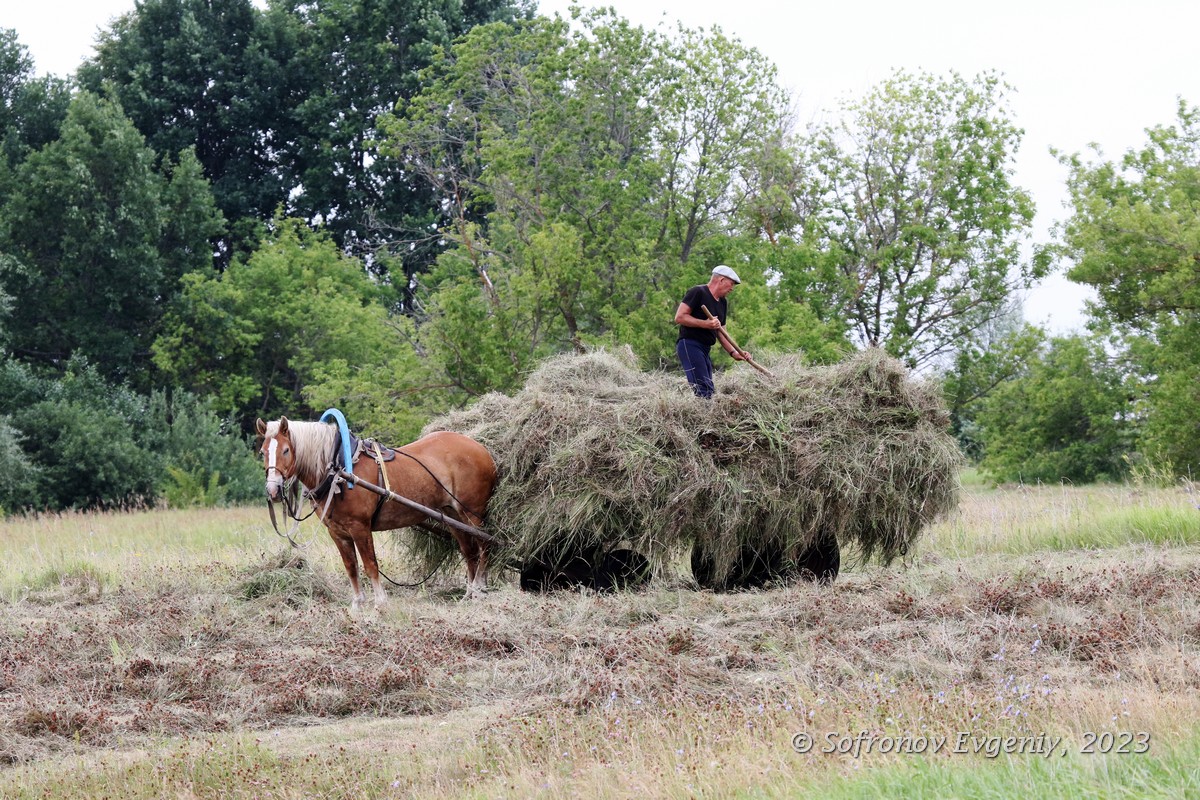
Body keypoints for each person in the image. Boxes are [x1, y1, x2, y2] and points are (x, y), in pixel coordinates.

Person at [675, 264, 750, 398]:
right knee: (703, 388)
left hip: (705, 348)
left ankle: (706, 413)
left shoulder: (722, 303)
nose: (732, 288)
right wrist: (705, 324)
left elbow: (722, 333)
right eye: (731, 284)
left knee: (709, 387)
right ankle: (703, 416)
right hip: (690, 344)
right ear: (721, 280)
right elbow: (680, 317)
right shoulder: (698, 292)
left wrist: (734, 352)